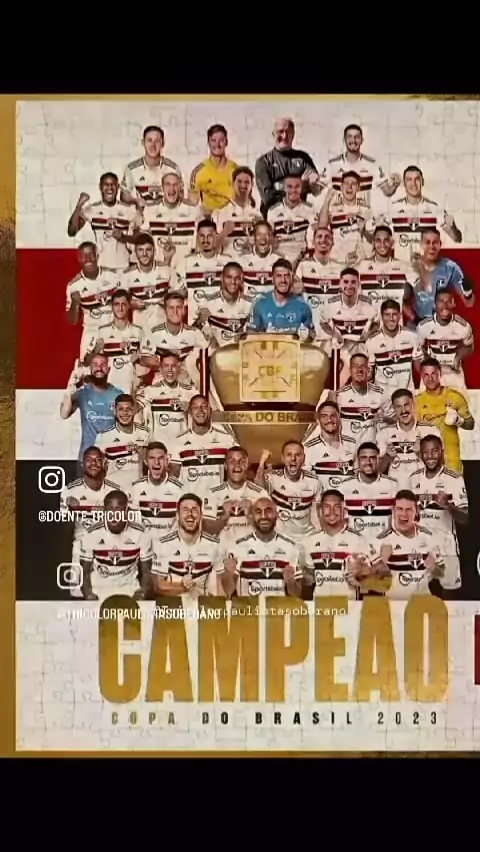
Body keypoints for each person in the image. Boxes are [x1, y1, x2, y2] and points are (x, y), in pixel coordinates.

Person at [60, 446, 121, 599]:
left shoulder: (115, 490)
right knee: (79, 597)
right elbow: (64, 531)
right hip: (81, 546)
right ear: (82, 464)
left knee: (108, 597)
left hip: (109, 549)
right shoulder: (70, 491)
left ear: (104, 463)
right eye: (89, 460)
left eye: (97, 460)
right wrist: (71, 512)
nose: (93, 463)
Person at [409, 434, 466, 592]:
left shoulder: (454, 479)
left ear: (441, 451)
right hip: (421, 550)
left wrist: (448, 506)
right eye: (426, 452)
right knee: (419, 597)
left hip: (446, 548)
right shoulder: (413, 479)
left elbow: (465, 517)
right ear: (421, 454)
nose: (430, 456)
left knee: (449, 597)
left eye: (434, 451)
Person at [366, 490, 447, 600]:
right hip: (395, 603)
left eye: (409, 509)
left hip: (422, 603)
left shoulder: (428, 536)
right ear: (393, 511)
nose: (404, 514)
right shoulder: (381, 540)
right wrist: (381, 563)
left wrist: (434, 568)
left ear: (416, 511)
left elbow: (442, 572)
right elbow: (366, 582)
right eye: (400, 509)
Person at [218, 496, 302, 597]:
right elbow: (228, 591)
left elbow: (297, 594)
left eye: (268, 511)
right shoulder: (238, 546)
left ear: (276, 514)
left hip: (278, 606)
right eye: (258, 512)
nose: (263, 516)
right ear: (252, 516)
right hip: (249, 606)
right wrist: (228, 573)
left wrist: (290, 581)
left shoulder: (291, 547)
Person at [79, 490, 153, 601]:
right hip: (99, 591)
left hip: (130, 591)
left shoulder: (141, 534)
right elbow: (84, 573)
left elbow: (146, 572)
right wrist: (89, 595)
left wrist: (141, 594)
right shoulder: (91, 534)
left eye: (118, 508)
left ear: (127, 510)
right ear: (104, 511)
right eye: (109, 508)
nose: (113, 514)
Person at [302, 490, 372, 600]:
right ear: (320, 511)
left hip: (349, 606)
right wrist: (300, 577)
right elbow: (309, 579)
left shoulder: (358, 540)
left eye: (336, 507)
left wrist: (362, 576)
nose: (331, 511)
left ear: (344, 510)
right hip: (321, 606)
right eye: (327, 507)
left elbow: (371, 579)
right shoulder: (311, 540)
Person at [60, 353, 123, 472]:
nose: (99, 368)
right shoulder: (82, 393)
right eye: (95, 365)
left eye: (103, 365)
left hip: (110, 460)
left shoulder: (118, 394)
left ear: (109, 369)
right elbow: (64, 414)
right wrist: (70, 388)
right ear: (90, 369)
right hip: (86, 460)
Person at [151, 493, 221, 600]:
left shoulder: (214, 544)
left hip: (203, 607)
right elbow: (157, 585)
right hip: (173, 607)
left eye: (194, 510)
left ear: (201, 515)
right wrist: (181, 587)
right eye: (185, 510)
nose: (190, 514)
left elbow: (221, 584)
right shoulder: (163, 544)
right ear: (177, 516)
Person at [67, 172, 141, 271]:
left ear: (118, 187)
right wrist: (79, 205)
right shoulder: (92, 209)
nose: (109, 188)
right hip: (101, 267)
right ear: (100, 187)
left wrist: (123, 237)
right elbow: (72, 231)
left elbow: (139, 240)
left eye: (112, 184)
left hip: (123, 266)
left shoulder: (128, 210)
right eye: (106, 184)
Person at [388, 167, 461, 263]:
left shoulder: (434, 208)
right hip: (401, 266)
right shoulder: (393, 208)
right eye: (409, 180)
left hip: (426, 267)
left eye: (417, 179)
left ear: (422, 182)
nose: (414, 183)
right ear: (403, 184)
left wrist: (452, 227)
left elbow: (457, 239)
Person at [415, 357, 474, 474]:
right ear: (421, 376)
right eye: (426, 375)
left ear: (440, 374)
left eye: (434, 374)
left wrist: (459, 421)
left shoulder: (455, 397)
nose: (430, 378)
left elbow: (470, 424)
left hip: (452, 463)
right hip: (427, 465)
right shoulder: (417, 402)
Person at [169, 395, 235, 498]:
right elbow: (173, 477)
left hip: (218, 502)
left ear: (210, 410)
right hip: (191, 503)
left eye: (204, 406)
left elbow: (235, 471)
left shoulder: (226, 439)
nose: (200, 411)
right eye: (195, 407)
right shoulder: (178, 441)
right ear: (190, 412)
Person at [320, 266, 376, 386]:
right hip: (339, 350)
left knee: (362, 384)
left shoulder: (367, 304)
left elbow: (377, 323)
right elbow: (323, 323)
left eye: (353, 282)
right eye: (346, 282)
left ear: (358, 284)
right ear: (340, 283)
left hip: (359, 349)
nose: (349, 286)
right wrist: (334, 333)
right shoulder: (331, 304)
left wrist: (369, 333)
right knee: (338, 385)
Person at [255, 441, 322, 540]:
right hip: (281, 538)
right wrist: (262, 461)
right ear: (283, 458)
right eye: (289, 455)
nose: (293, 458)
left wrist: (319, 533)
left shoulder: (314, 481)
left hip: (306, 537)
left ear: (303, 458)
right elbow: (259, 486)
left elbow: (318, 509)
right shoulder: (274, 478)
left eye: (297, 455)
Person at [320, 123, 400, 206]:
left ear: (362, 140)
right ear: (344, 140)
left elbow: (388, 191)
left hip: (362, 212)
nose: (353, 140)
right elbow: (316, 191)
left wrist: (396, 183)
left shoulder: (371, 164)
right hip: (338, 211)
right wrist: (312, 180)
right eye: (349, 137)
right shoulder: (332, 164)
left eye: (357, 137)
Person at [377, 388, 443, 489]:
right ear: (394, 408)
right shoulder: (385, 433)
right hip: (396, 492)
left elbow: (441, 467)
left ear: (413, 404)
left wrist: (421, 453)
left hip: (423, 490)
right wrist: (387, 457)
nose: (403, 411)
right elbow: (377, 472)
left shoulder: (430, 430)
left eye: (406, 405)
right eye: (398, 407)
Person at [255, 117, 320, 217]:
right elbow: (268, 197)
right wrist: (300, 185)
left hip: (300, 217)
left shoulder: (303, 158)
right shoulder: (263, 162)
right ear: (273, 134)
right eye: (280, 131)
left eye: (288, 132)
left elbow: (317, 188)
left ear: (293, 135)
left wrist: (314, 182)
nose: (284, 136)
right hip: (274, 218)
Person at [66, 242, 119, 361]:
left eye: (91, 255)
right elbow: (72, 321)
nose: (88, 259)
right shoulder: (74, 286)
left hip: (114, 330)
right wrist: (75, 303)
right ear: (79, 259)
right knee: (87, 367)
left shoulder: (113, 276)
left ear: (97, 256)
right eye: (84, 256)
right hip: (91, 332)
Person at [203, 446, 268, 544]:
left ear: (247, 465)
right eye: (232, 461)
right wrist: (224, 517)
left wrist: (250, 515)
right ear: (225, 466)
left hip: (251, 550)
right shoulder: (212, 493)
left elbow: (267, 531)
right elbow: (207, 530)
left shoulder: (260, 494)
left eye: (242, 461)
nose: (237, 465)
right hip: (222, 551)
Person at [83, 289, 143, 394]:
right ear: (111, 306)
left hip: (130, 388)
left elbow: (147, 362)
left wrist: (140, 359)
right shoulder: (101, 331)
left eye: (124, 304)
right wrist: (95, 350)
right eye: (116, 304)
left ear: (129, 306)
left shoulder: (138, 331)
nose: (120, 308)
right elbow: (86, 362)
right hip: (108, 388)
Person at [172, 219, 231, 322]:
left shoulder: (228, 262)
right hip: (195, 324)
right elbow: (177, 295)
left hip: (222, 323)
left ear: (216, 237)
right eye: (202, 236)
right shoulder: (185, 263)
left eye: (209, 236)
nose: (205, 240)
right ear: (197, 238)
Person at [408, 228, 474, 320]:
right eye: (427, 242)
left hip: (443, 321)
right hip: (419, 320)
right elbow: (400, 299)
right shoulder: (411, 268)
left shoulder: (451, 268)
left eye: (435, 242)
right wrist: (414, 319)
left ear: (440, 245)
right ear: (421, 244)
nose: (431, 246)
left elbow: (469, 303)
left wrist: (468, 292)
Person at [141, 172, 203, 265]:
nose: (171, 188)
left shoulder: (193, 211)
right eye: (168, 184)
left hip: (185, 267)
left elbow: (202, 241)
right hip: (160, 267)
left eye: (175, 185)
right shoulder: (150, 210)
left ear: (180, 187)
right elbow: (142, 241)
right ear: (162, 188)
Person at [94, 393, 150, 494]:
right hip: (112, 493)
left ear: (134, 410)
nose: (125, 413)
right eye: (121, 409)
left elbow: (149, 463)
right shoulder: (104, 436)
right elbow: (97, 468)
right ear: (115, 411)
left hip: (137, 492)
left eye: (129, 409)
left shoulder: (145, 433)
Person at [416, 290, 474, 388]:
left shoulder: (463, 326)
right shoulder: (423, 326)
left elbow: (469, 347)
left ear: (454, 304)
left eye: (448, 301)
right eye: (441, 301)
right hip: (431, 374)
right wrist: (427, 360)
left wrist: (458, 357)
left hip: (454, 373)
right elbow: (418, 350)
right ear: (434, 304)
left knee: (458, 398)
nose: (445, 306)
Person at [136, 352, 196, 445]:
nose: (170, 370)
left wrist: (191, 408)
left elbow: (203, 413)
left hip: (182, 446)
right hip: (158, 448)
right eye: (166, 366)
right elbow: (133, 409)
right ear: (160, 368)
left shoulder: (191, 391)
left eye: (173, 366)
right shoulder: (149, 391)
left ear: (178, 368)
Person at [365, 298, 423, 394]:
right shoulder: (372, 341)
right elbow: (369, 374)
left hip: (406, 394)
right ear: (381, 316)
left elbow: (419, 367)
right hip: (382, 397)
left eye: (394, 314)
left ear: (400, 315)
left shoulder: (412, 336)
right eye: (387, 315)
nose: (391, 319)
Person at [341, 442, 397, 537]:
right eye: (364, 458)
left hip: (384, 542)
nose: (368, 462)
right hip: (355, 542)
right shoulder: (345, 486)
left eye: (372, 458)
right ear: (357, 460)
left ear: (378, 460)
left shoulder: (392, 485)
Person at [248, 258, 314, 337]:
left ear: (291, 278)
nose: (283, 280)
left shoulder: (303, 306)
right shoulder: (260, 303)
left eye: (286, 276)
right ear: (272, 279)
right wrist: (265, 336)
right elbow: (250, 333)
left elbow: (312, 335)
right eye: (279, 276)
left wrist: (306, 336)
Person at [194, 261, 253, 348]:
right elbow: (193, 334)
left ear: (241, 279)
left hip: (242, 351)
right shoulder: (208, 302)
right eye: (229, 277)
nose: (233, 282)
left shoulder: (250, 304)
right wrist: (199, 321)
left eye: (237, 278)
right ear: (221, 278)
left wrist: (247, 336)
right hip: (217, 352)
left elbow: (255, 333)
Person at [121, 232, 172, 332]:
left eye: (148, 250)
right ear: (135, 252)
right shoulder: (127, 274)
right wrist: (130, 303)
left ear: (154, 251)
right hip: (140, 330)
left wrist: (169, 299)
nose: (144, 254)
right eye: (140, 250)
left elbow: (182, 292)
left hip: (164, 329)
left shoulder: (166, 269)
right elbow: (120, 301)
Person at [130, 442, 183, 537]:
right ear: (146, 461)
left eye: (161, 458)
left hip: (168, 544)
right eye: (152, 458)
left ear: (167, 461)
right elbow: (133, 524)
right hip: (144, 544)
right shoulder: (136, 487)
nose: (156, 462)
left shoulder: (179, 489)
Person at [120, 125, 181, 207]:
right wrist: (136, 201)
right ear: (143, 142)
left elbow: (181, 195)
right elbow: (124, 196)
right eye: (149, 140)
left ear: (163, 143)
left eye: (157, 141)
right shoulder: (131, 169)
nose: (153, 145)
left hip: (166, 214)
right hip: (143, 213)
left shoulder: (173, 169)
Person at [302, 400, 357, 490]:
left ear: (339, 418)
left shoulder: (352, 444)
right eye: (324, 416)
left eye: (333, 416)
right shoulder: (308, 448)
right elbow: (306, 482)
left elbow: (358, 475)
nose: (329, 420)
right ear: (318, 420)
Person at [214, 167, 262, 259]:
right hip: (229, 264)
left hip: (252, 264)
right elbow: (212, 250)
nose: (243, 185)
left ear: (252, 185)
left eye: (247, 182)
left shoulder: (258, 214)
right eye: (239, 181)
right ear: (233, 183)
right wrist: (224, 233)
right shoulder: (220, 213)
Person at [267, 175, 316, 265]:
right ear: (284, 188)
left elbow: (314, 237)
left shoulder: (310, 209)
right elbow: (268, 238)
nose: (293, 190)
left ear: (301, 188)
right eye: (289, 186)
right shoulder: (273, 211)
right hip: (279, 258)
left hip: (302, 258)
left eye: (297, 186)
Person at [189, 124, 238, 212]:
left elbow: (243, 200)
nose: (217, 145)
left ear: (226, 142)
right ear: (208, 143)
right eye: (213, 140)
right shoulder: (198, 172)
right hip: (207, 217)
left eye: (221, 140)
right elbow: (193, 203)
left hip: (230, 216)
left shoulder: (236, 170)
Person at [239, 220, 283, 300]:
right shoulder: (242, 259)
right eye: (259, 234)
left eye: (266, 234)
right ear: (254, 237)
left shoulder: (279, 260)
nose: (263, 238)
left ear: (271, 237)